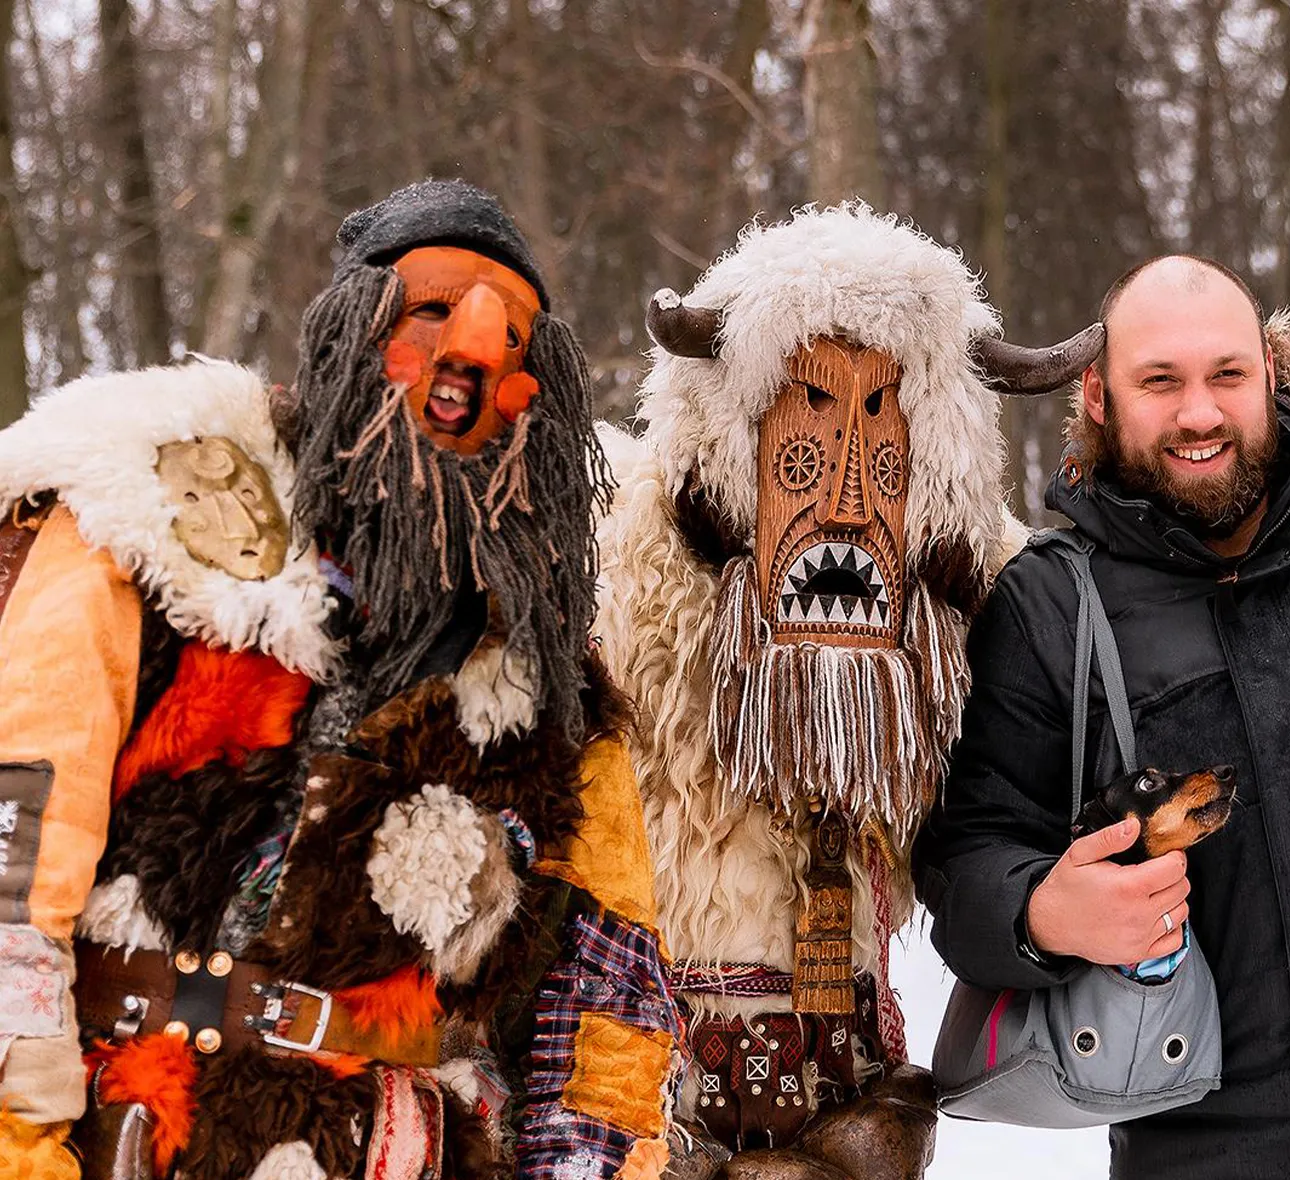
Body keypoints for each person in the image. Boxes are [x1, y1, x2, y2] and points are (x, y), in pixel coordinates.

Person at [0, 179, 675, 1179]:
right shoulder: (147, 509)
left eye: (515, 339)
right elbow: (18, 844)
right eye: (432, 308)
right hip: (131, 1124)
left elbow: (604, 1018)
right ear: (351, 335)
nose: (475, 351)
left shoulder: (554, 693)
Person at [914, 254, 1290, 1180]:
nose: (1200, 413)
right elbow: (965, 864)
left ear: (1269, 372)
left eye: (1227, 374)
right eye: (1160, 382)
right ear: (1100, 399)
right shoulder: (1049, 608)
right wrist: (1044, 912)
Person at [593, 202, 1101, 1178]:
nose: (845, 502)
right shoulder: (633, 583)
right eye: (804, 439)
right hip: (650, 1103)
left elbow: (1095, 638)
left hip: (851, 1109)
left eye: (885, 442)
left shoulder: (956, 611)